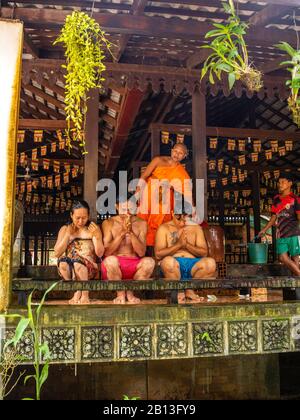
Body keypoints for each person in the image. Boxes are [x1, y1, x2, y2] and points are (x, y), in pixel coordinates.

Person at [136, 143, 193, 246]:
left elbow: (188, 192)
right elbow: (144, 176)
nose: (177, 154)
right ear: (171, 151)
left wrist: (192, 208)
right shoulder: (158, 160)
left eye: (180, 153)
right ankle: (142, 246)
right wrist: (137, 193)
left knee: (161, 224)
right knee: (143, 220)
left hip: (164, 199)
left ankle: (158, 247)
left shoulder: (182, 173)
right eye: (175, 151)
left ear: (184, 156)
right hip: (149, 193)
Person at [155, 209, 216, 303]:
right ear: (172, 213)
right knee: (168, 262)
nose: (182, 223)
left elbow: (204, 253)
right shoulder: (164, 228)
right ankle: (178, 291)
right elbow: (158, 254)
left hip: (193, 266)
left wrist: (186, 245)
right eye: (178, 219)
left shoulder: (196, 228)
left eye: (185, 219)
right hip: (173, 266)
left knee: (210, 263)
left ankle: (189, 290)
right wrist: (178, 245)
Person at [101, 197, 155, 304]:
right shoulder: (108, 223)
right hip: (114, 266)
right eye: (124, 208)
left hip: (134, 265)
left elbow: (141, 252)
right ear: (116, 207)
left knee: (150, 262)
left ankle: (130, 293)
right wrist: (122, 233)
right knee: (110, 261)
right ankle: (120, 294)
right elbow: (106, 252)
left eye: (130, 208)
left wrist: (130, 232)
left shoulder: (141, 223)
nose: (127, 212)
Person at [54, 200, 104, 304]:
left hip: (89, 268)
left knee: (78, 263)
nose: (81, 221)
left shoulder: (92, 229)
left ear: (88, 216)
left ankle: (84, 294)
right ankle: (77, 290)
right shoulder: (64, 229)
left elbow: (100, 254)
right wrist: (67, 235)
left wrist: (98, 237)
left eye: (84, 218)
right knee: (63, 262)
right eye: (77, 218)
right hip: (70, 268)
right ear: (71, 215)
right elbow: (57, 253)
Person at [259, 173, 300, 280]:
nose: (280, 184)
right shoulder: (276, 199)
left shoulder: (295, 199)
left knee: (295, 259)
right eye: (279, 182)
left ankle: (295, 288)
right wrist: (264, 229)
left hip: (294, 233)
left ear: (290, 183)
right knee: (282, 257)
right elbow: (273, 217)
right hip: (281, 234)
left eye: (283, 182)